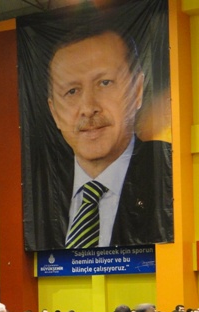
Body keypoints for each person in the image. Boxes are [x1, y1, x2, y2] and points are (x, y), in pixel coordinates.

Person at [26, 23, 172, 250]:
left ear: (137, 91)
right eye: (72, 91)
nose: (88, 108)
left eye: (104, 83)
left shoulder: (169, 173)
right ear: (54, 112)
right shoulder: (34, 194)